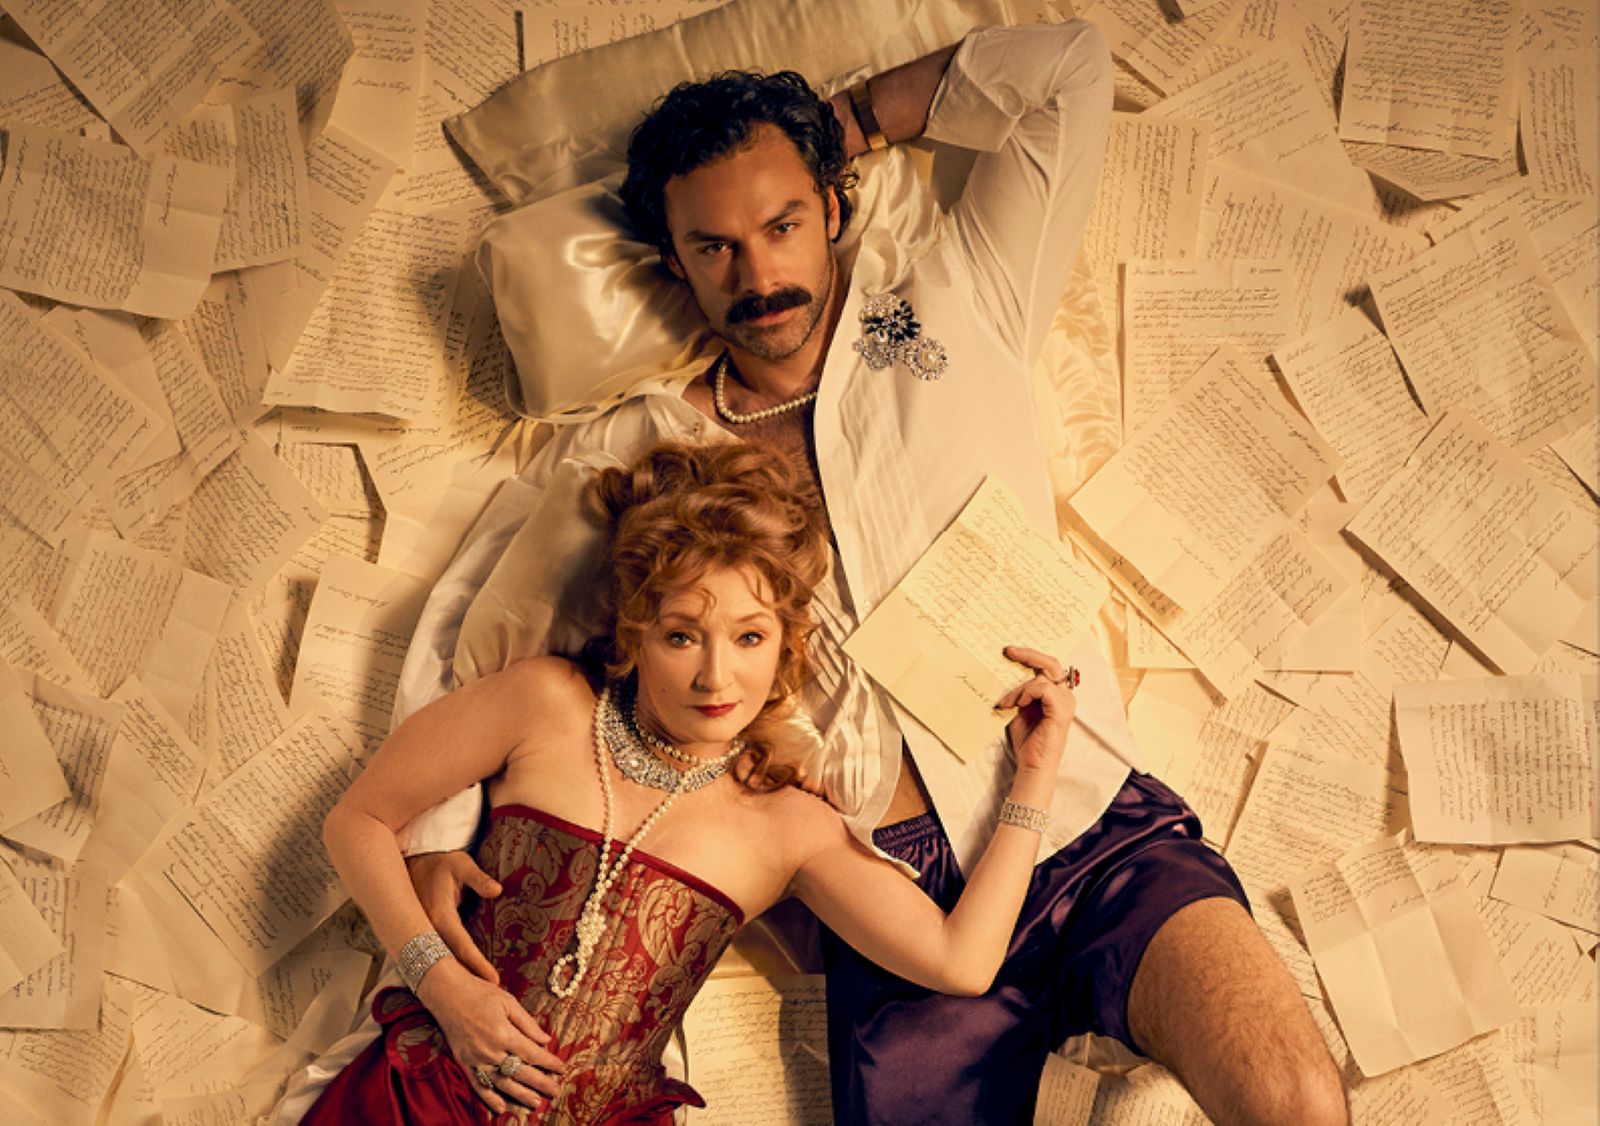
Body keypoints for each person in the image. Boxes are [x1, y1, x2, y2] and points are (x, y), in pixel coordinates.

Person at [290, 18, 1345, 1125]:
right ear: (672, 262)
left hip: (1085, 816)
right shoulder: (642, 448)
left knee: (1294, 1094)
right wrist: (438, 843)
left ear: (833, 207)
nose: (758, 275)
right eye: (714, 248)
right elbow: (485, 638)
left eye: (783, 223)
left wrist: (841, 122)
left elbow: (1068, 70)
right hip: (885, 892)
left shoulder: (961, 300)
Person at [302, 441, 1076, 1122]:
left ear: (786, 644)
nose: (716, 676)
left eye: (749, 637)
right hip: (414, 1101)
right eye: (681, 636)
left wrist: (1035, 777)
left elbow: (962, 962)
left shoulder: (786, 827)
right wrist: (439, 983)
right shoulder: (545, 705)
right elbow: (357, 822)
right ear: (635, 632)